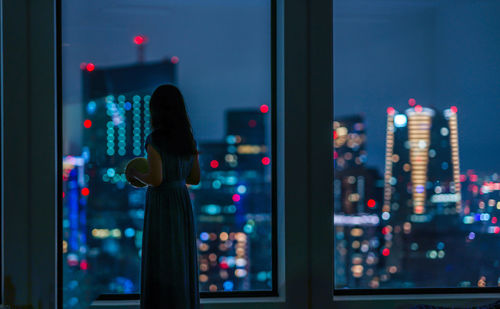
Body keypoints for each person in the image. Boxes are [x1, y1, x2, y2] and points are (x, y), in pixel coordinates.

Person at [126, 84, 201, 308]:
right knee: (180, 258)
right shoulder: (188, 139)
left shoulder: (155, 140)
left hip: (162, 203)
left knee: (161, 259)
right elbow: (195, 178)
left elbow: (156, 179)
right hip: (181, 201)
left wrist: (135, 173)